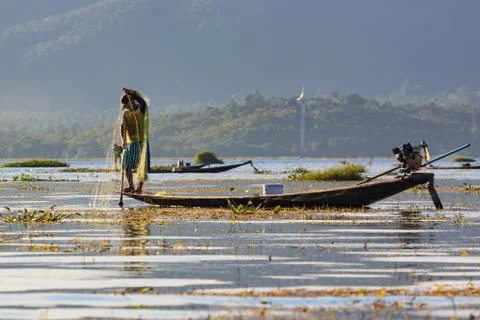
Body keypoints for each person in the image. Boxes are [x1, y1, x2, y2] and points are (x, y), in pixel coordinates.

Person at [120, 88, 150, 193]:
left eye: (129, 103)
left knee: (140, 166)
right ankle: (131, 186)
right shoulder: (125, 113)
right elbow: (122, 128)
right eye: (126, 105)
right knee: (126, 165)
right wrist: (123, 141)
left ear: (132, 101)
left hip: (141, 142)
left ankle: (139, 188)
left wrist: (132, 93)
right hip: (130, 143)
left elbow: (143, 102)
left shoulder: (140, 109)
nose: (127, 106)